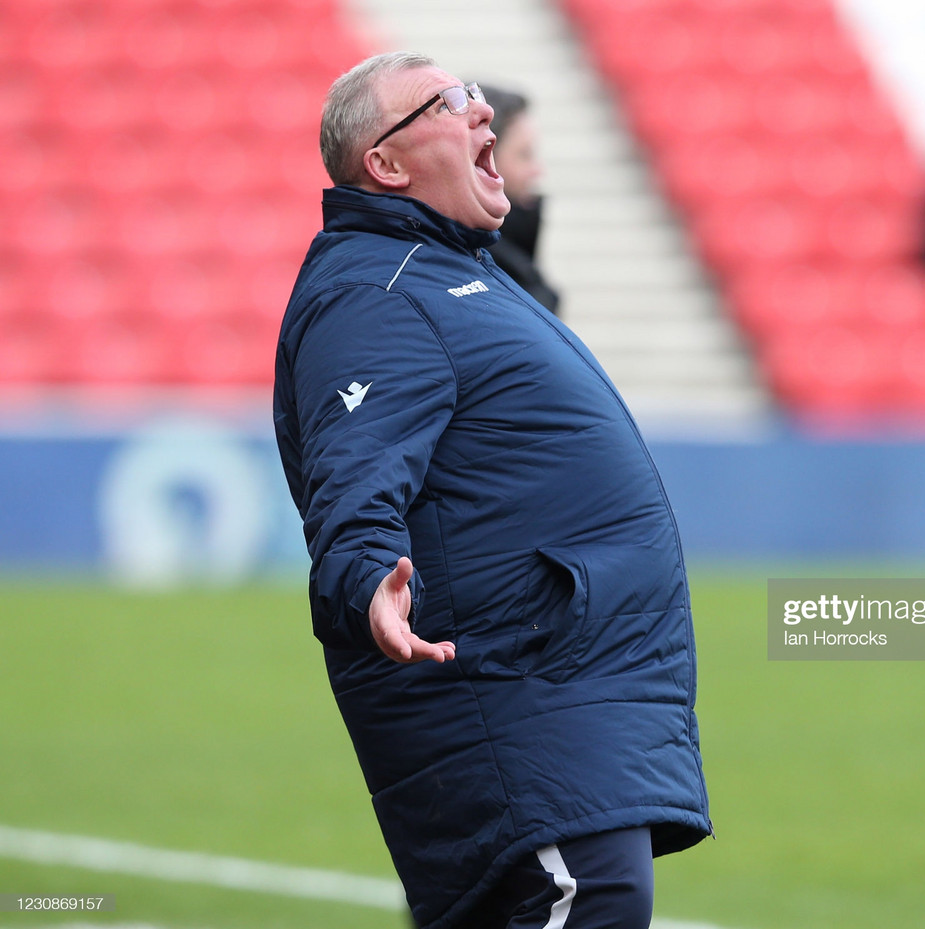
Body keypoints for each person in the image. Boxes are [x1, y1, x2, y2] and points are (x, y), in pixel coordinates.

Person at [272, 52, 711, 929]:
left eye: (474, 94)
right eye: (445, 104)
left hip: (555, 687)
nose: (481, 114)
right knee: (586, 894)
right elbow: (353, 472)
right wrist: (365, 583)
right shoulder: (379, 291)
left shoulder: (451, 270)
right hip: (510, 690)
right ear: (387, 166)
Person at [482, 84, 561, 314]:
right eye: (524, 155)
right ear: (483, 160)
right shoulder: (479, 263)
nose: (538, 171)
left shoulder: (510, 251)